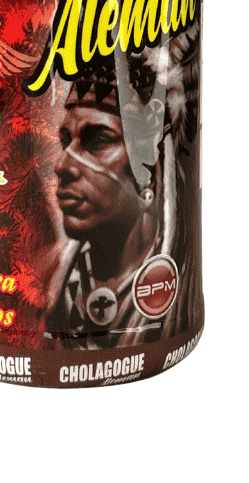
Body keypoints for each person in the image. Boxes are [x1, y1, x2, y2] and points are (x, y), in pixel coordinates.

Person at [45, 24, 201, 348]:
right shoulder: (54, 289)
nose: (62, 166)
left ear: (151, 169)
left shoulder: (173, 287)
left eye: (98, 140)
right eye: (66, 141)